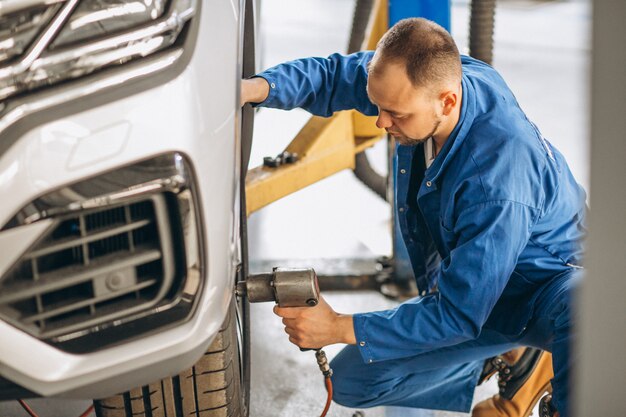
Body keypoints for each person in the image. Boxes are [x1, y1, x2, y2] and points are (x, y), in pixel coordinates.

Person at [241, 18, 585, 417]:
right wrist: (255, 89)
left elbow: (456, 313)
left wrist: (337, 325)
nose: (381, 123)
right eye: (380, 106)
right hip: (481, 283)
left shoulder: (495, 184)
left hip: (543, 289)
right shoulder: (434, 82)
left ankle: (553, 367)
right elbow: (337, 75)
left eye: (396, 115)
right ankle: (520, 360)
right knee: (352, 380)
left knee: (582, 311)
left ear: (447, 102)